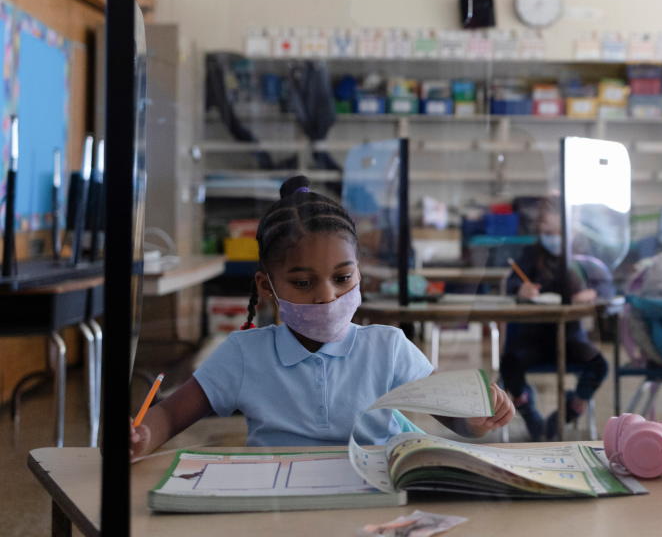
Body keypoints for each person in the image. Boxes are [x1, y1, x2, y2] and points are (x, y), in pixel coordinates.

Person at [130, 176, 513, 458]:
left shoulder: (388, 347)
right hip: (276, 503)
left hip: (370, 502)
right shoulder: (244, 355)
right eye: (302, 282)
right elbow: (169, 416)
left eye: (343, 278)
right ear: (267, 288)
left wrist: (478, 419)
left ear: (360, 273)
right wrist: (142, 435)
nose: (327, 295)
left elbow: (455, 418)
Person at [500, 197, 609, 441]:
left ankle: (572, 408)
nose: (553, 238)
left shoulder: (582, 256)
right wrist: (520, 290)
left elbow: (606, 285)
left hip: (570, 338)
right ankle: (526, 408)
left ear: (571, 229)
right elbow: (511, 283)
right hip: (533, 339)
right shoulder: (530, 255)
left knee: (599, 364)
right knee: (509, 363)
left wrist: (593, 292)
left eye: (559, 232)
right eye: (547, 232)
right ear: (539, 232)